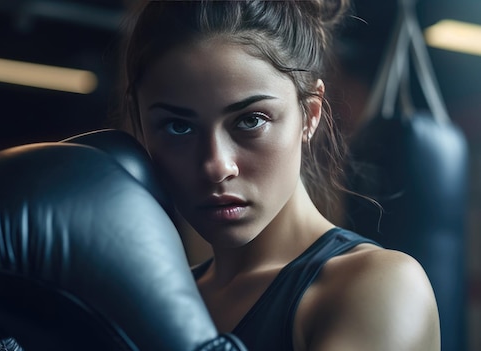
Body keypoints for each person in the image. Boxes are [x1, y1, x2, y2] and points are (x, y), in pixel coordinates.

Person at [114, 1, 441, 350]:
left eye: (250, 120)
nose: (216, 166)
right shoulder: (162, 300)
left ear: (310, 114)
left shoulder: (381, 286)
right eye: (178, 126)